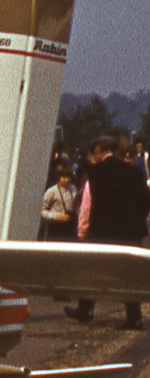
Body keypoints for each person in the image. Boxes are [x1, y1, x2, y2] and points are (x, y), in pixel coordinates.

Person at [66, 136, 150, 328]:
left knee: (94, 270)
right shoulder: (135, 172)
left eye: (93, 153)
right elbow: (146, 201)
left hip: (103, 231)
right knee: (129, 274)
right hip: (131, 231)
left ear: (100, 151)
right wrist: (135, 219)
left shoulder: (95, 173)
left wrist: (83, 231)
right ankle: (134, 318)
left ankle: (85, 309)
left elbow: (88, 205)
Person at [41, 163, 78, 241]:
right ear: (58, 178)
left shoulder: (73, 188)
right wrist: (56, 216)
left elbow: (76, 205)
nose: (67, 180)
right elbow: (42, 211)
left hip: (70, 226)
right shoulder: (52, 191)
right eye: (64, 177)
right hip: (56, 227)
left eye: (68, 177)